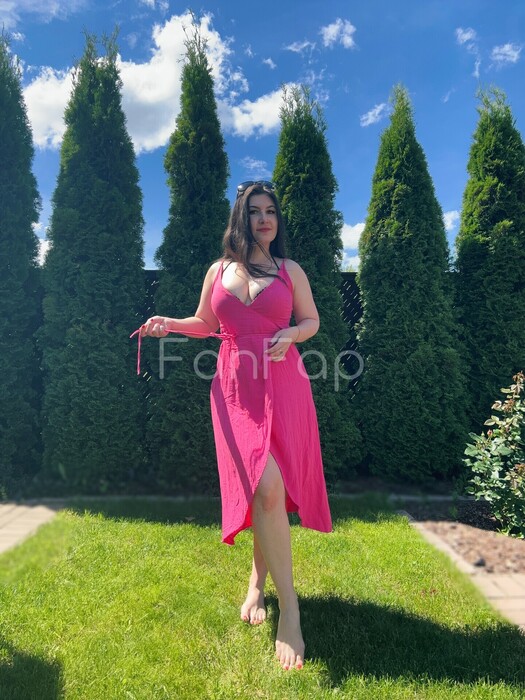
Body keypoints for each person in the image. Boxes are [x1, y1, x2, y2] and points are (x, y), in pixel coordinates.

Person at [139, 181, 333, 671]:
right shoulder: (219, 270)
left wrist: (292, 333)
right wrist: (170, 323)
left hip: (284, 383)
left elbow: (312, 320)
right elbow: (206, 323)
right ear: (240, 219)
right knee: (262, 488)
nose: (264, 219)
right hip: (234, 389)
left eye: (271, 212)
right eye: (254, 211)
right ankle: (265, 589)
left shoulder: (290, 270)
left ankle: (281, 603)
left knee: (270, 491)